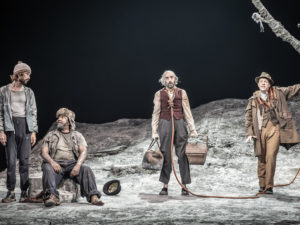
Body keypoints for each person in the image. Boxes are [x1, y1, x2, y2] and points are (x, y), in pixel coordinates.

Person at [245, 72, 300, 194]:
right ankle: (262, 184)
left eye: (265, 81)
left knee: (271, 157)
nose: (263, 83)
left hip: (274, 129)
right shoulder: (253, 99)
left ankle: (269, 186)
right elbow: (248, 116)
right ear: (258, 84)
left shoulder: (279, 92)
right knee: (261, 158)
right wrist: (249, 132)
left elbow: (294, 89)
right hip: (259, 131)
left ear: (269, 84)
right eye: (261, 82)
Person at [41, 108, 104, 206]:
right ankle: (52, 196)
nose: (59, 119)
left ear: (70, 121)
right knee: (47, 167)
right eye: (58, 117)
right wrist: (52, 163)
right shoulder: (51, 135)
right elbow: (44, 153)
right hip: (56, 164)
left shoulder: (77, 135)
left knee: (86, 169)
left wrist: (78, 165)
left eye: (62, 117)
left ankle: (93, 196)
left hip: (72, 164)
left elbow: (83, 151)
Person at [152, 70, 198, 196]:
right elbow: (156, 113)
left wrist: (193, 129)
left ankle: (184, 186)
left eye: (172, 77)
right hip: (164, 124)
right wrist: (154, 132)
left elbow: (187, 111)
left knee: (182, 155)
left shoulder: (181, 92)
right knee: (166, 155)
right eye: (167, 78)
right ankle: (165, 186)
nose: (170, 80)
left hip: (179, 123)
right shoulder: (158, 94)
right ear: (164, 80)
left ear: (175, 79)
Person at [0, 61, 38, 203]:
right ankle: (10, 192)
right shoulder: (3, 91)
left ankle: (23, 193)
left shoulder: (29, 92)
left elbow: (33, 112)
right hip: (10, 128)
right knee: (10, 161)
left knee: (25, 161)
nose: (28, 76)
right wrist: (1, 131)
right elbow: (0, 113)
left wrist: (33, 131)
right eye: (26, 74)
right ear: (18, 74)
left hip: (25, 127)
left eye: (29, 74)